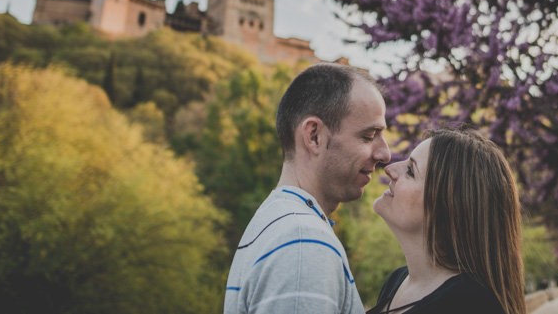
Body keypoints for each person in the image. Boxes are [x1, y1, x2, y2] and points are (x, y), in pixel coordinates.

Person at [224, 63, 391, 314]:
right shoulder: (303, 243)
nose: (385, 154)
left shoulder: (279, 223)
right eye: (369, 136)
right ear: (314, 136)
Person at [368, 127, 526, 314]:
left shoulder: (473, 305)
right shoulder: (396, 281)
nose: (389, 169)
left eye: (410, 170)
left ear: (447, 205)